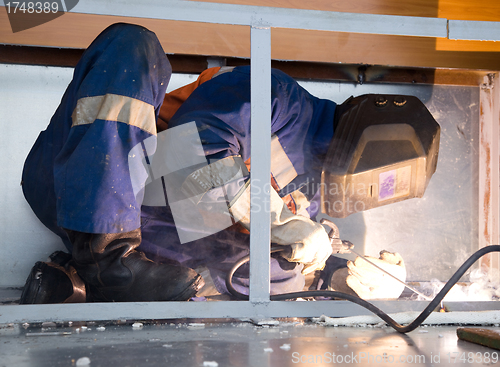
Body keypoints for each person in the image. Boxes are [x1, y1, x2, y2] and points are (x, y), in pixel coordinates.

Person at [19, 23, 406, 304]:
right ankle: (105, 257)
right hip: (76, 181)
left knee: (269, 264)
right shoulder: (274, 97)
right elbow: (194, 153)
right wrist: (273, 219)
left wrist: (341, 277)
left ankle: (84, 284)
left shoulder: (315, 190)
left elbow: (275, 262)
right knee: (133, 46)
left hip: (156, 252)